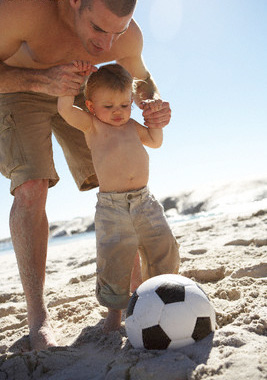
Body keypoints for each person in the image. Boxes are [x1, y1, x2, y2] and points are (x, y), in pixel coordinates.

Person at [0, 0, 172, 350]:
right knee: (32, 187)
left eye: (118, 32)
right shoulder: (21, 9)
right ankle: (39, 319)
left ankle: (135, 297)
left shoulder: (126, 35)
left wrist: (151, 101)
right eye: (98, 29)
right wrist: (40, 78)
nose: (107, 46)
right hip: (19, 88)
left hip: (84, 94)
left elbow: (142, 78)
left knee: (116, 179)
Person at [57, 62, 180, 333]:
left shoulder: (132, 126)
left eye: (124, 105)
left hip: (144, 201)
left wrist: (153, 121)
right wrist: (73, 80)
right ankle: (115, 311)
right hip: (112, 207)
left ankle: (163, 292)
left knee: (162, 245)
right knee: (114, 258)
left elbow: (155, 141)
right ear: (90, 106)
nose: (117, 113)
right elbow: (65, 110)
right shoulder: (92, 126)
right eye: (108, 106)